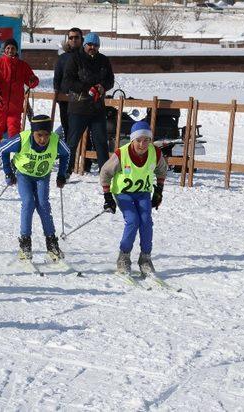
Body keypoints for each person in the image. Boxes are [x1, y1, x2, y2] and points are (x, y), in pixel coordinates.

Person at [100, 121, 167, 276]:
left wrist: (159, 191)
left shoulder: (155, 153)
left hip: (143, 193)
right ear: (132, 140)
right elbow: (105, 172)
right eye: (138, 140)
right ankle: (123, 257)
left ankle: (145, 258)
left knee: (146, 221)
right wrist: (107, 196)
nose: (142, 144)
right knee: (133, 220)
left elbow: (162, 170)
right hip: (123, 193)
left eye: (146, 140)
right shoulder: (121, 154)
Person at [0, 115, 70, 261]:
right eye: (39, 135)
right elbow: (3, 149)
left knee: (43, 205)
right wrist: (8, 172)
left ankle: (51, 243)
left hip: (42, 176)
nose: (43, 139)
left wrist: (62, 175)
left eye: (46, 135)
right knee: (28, 203)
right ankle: (25, 243)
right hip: (23, 175)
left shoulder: (56, 141)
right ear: (33, 133)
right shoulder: (22, 139)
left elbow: (66, 153)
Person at [61, 32, 114, 178]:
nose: (92, 47)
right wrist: (86, 88)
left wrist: (103, 87)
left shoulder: (103, 60)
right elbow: (68, 81)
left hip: (97, 109)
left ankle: (105, 173)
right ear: (85, 45)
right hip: (79, 107)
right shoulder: (75, 59)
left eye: (95, 45)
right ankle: (66, 170)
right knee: (72, 142)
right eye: (90, 45)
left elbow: (110, 80)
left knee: (101, 142)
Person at [0, 38, 39, 168]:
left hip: (15, 106)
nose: (10, 50)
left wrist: (33, 80)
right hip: (0, 104)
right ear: (4, 49)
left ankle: (15, 157)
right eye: (8, 48)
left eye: (13, 48)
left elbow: (31, 80)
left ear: (16, 50)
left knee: (15, 133)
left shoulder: (22, 65)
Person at [53, 27, 83, 142]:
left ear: (81, 39)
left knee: (81, 131)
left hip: (82, 100)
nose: (74, 40)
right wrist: (57, 92)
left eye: (76, 37)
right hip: (65, 99)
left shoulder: (86, 57)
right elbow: (57, 77)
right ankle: (68, 156)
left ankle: (84, 158)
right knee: (67, 128)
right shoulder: (62, 58)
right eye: (71, 38)